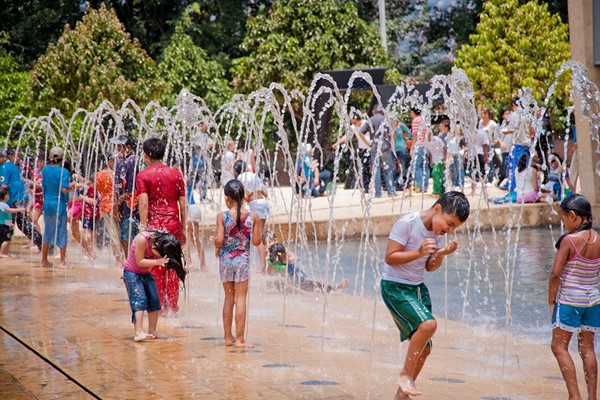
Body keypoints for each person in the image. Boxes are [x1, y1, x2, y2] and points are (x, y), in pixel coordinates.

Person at [381, 191, 470, 398]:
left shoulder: (436, 233)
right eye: (449, 224)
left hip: (418, 289)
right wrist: (418, 253)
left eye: (454, 228)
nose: (449, 230)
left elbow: (429, 267)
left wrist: (440, 254)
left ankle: (401, 396)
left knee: (425, 348)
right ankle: (405, 374)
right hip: (395, 287)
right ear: (437, 209)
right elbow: (390, 257)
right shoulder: (407, 223)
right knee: (429, 325)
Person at [548, 194, 600, 400]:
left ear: (573, 216)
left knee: (558, 346)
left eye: (564, 220)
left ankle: (574, 396)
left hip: (569, 301)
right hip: (593, 301)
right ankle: (593, 397)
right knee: (587, 348)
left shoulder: (569, 241)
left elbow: (555, 275)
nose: (564, 225)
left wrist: (551, 300)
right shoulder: (598, 239)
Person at [136, 137, 187, 315]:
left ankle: (160, 308)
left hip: (155, 228)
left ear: (147, 155)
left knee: (157, 267)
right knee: (173, 265)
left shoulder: (143, 175)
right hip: (173, 225)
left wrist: (143, 230)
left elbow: (143, 204)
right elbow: (183, 204)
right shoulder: (175, 174)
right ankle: (173, 307)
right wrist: (183, 229)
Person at [214, 179, 263, 348]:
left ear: (228, 199)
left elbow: (219, 239)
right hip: (242, 261)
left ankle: (228, 338)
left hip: (226, 261)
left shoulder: (222, 216)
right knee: (240, 298)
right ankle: (240, 339)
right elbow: (257, 242)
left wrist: (216, 247)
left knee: (229, 298)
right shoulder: (252, 217)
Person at [123, 230, 187, 342]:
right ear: (157, 246)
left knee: (154, 299)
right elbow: (139, 262)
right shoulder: (142, 239)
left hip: (146, 273)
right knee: (139, 299)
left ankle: (152, 330)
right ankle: (138, 332)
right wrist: (157, 261)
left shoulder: (161, 242)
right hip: (132, 273)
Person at [0, 149, 42, 251]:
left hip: (15, 198)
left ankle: (42, 243)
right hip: (21, 197)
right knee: (17, 222)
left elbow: (4, 186)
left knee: (11, 222)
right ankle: (42, 243)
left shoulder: (4, 167)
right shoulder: (11, 166)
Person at [267, 242, 349, 293]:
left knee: (319, 284)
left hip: (300, 281)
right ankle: (337, 287)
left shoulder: (276, 264)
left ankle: (336, 287)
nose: (287, 256)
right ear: (282, 255)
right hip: (299, 284)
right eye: (285, 254)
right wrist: (307, 294)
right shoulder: (281, 267)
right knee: (319, 286)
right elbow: (290, 286)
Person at [234, 160, 270, 272]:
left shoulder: (240, 177)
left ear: (236, 169)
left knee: (256, 237)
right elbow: (265, 193)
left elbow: (245, 194)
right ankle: (267, 262)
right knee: (260, 234)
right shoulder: (254, 175)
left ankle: (263, 267)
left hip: (255, 205)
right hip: (263, 204)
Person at [40, 147, 71, 268]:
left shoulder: (45, 170)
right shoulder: (64, 172)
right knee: (62, 231)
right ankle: (62, 262)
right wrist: (73, 186)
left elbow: (44, 186)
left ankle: (43, 260)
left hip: (47, 203)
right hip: (59, 204)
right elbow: (63, 189)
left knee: (48, 230)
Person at [111, 134, 139, 257]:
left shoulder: (132, 161)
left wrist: (117, 204)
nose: (117, 149)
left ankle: (132, 265)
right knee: (123, 237)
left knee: (128, 237)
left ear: (128, 147)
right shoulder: (121, 162)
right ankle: (129, 264)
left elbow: (131, 189)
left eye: (119, 146)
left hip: (130, 206)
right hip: (122, 206)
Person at [0, 187, 26, 258]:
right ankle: (1, 253)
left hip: (4, 223)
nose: (8, 196)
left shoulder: (3, 204)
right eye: (7, 195)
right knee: (6, 239)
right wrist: (19, 210)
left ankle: (6, 252)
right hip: (3, 226)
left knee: (7, 239)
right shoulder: (3, 205)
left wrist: (9, 224)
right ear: (3, 196)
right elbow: (9, 211)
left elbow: (4, 216)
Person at [427, 129, 446, 196]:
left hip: (440, 158)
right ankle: (441, 190)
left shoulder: (436, 139)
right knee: (439, 174)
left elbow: (444, 147)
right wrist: (431, 161)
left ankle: (437, 190)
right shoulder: (426, 141)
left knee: (435, 173)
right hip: (435, 159)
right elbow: (431, 152)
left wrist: (444, 159)